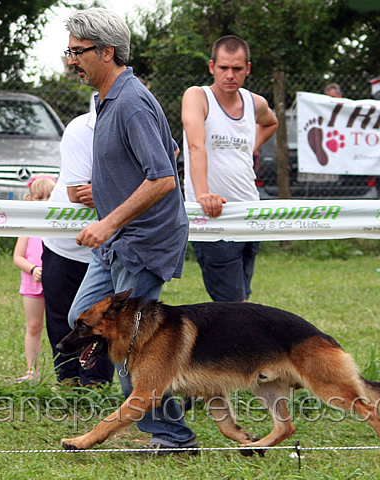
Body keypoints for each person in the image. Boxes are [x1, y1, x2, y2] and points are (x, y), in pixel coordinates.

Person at [64, 7, 197, 452]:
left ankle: (172, 436)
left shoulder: (131, 100)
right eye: (69, 51)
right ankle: (173, 399)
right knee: (82, 316)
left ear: (107, 51)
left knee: (127, 345)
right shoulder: (109, 99)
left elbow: (162, 176)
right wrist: (103, 192)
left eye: (78, 52)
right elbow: (169, 151)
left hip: (142, 243)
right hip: (119, 240)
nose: (71, 61)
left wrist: (109, 220)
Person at [181, 35, 278, 303]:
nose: (230, 75)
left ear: (248, 68)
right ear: (212, 67)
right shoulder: (197, 96)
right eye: (223, 68)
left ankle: (245, 344)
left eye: (237, 68)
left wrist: (246, 149)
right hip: (213, 216)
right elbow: (195, 146)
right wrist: (203, 195)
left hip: (249, 211)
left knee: (241, 299)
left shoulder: (254, 102)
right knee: (233, 304)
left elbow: (271, 122)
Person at [42, 109, 114, 387]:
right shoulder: (79, 130)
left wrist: (106, 189)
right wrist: (125, 187)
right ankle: (67, 380)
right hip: (62, 244)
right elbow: (79, 193)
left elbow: (170, 155)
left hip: (108, 247)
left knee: (103, 321)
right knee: (61, 317)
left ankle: (96, 383)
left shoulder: (140, 122)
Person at [13, 175, 57, 383]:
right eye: (40, 197)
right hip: (32, 284)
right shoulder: (28, 226)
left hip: (56, 281)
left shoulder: (61, 224)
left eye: (50, 197)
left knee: (59, 324)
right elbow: (17, 257)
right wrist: (33, 270)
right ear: (30, 200)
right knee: (33, 326)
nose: (45, 202)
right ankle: (33, 371)